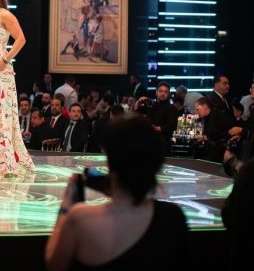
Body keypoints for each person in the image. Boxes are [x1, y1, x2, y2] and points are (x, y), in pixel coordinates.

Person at [45, 115, 189, 270]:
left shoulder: (81, 218)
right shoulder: (173, 216)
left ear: (110, 158)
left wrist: (66, 207)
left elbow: (54, 264)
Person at [0, 0, 35, 176]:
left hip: (1, 71)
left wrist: (5, 59)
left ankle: (4, 161)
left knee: (2, 117)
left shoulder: (5, 15)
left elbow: (21, 39)